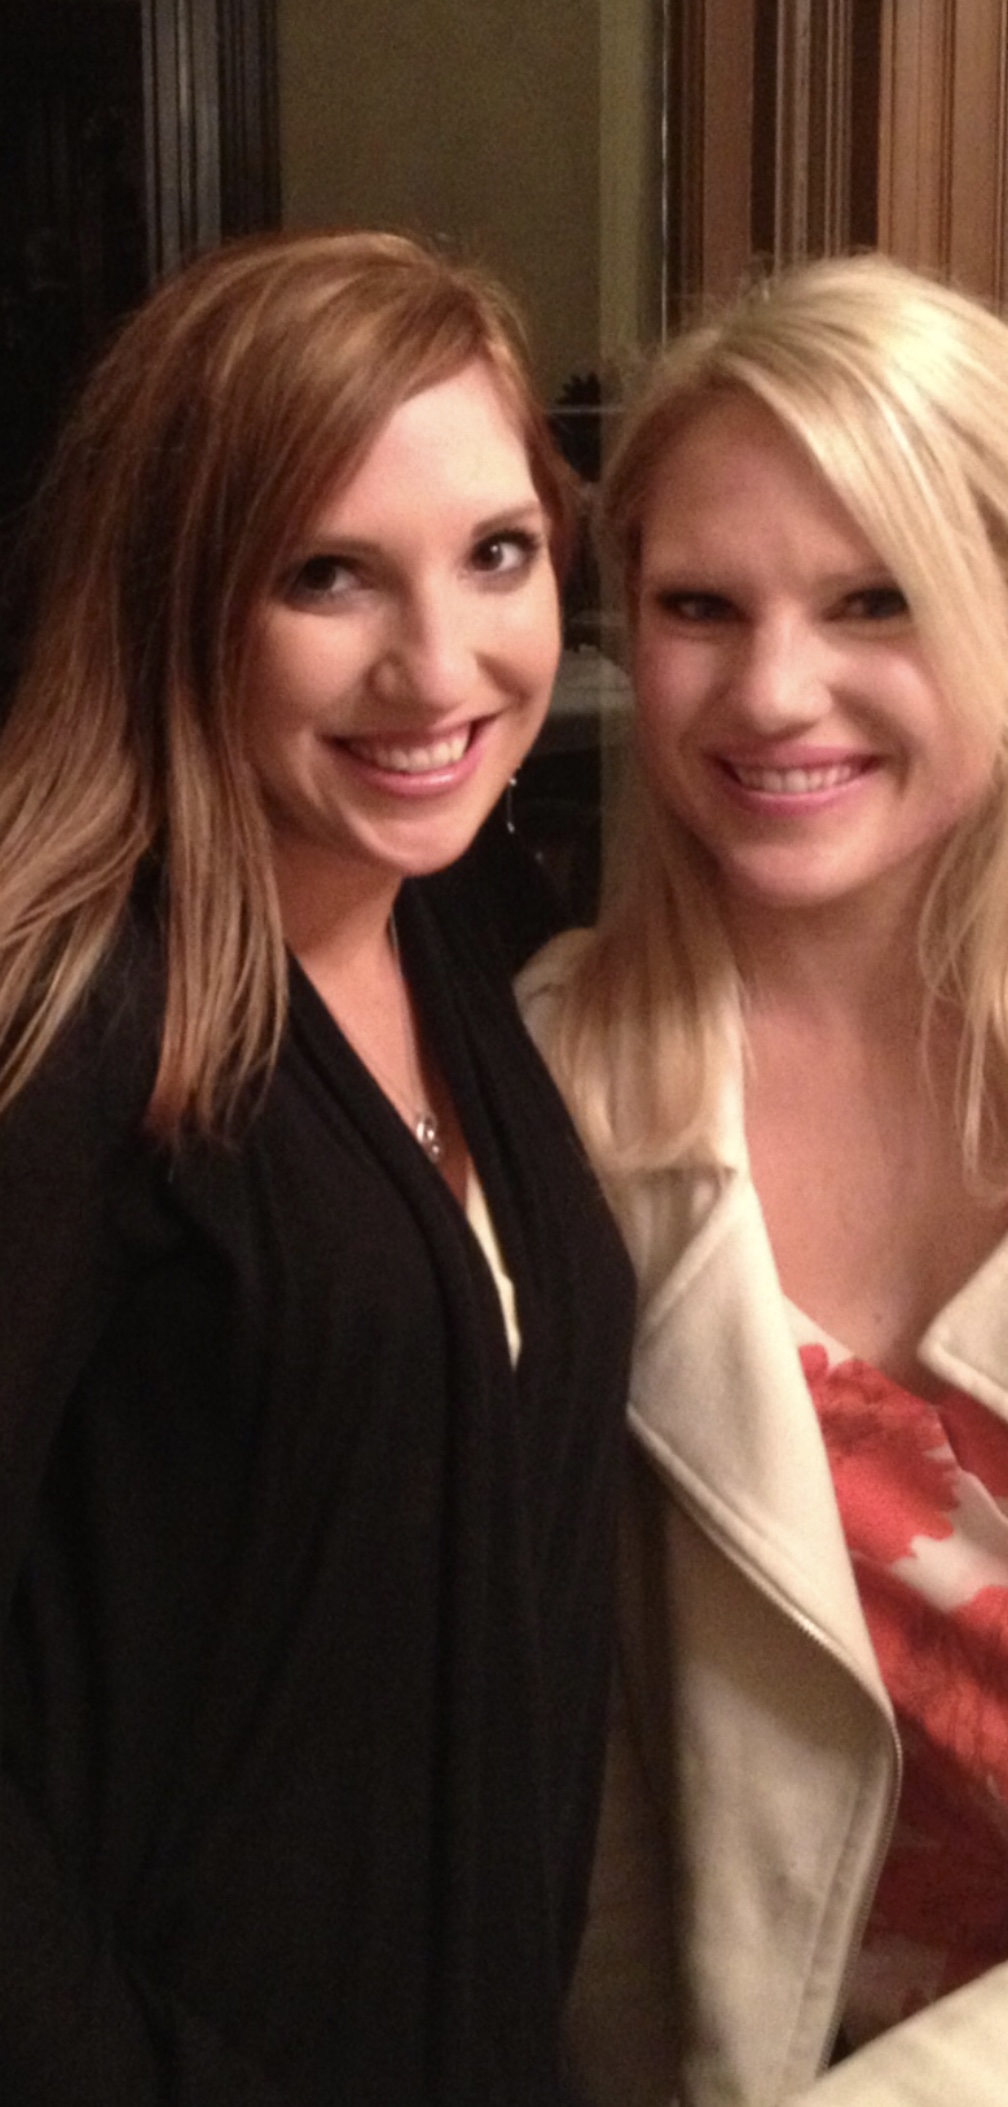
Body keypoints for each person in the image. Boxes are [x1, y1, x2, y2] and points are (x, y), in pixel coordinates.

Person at [521, 253, 1008, 2105]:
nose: (774, 692)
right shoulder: (555, 1092)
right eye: (700, 606)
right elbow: (592, 1787)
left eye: (874, 599)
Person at [0, 228, 634, 2105]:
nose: (437, 667)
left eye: (496, 553)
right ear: (178, 600)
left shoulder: (451, 917)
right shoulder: (73, 1028)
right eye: (326, 575)